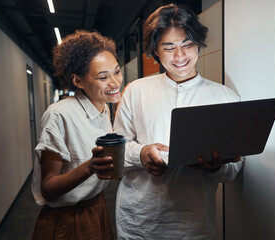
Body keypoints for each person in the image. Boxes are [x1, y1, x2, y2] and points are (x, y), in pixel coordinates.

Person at [113, 4, 244, 240]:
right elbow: (118, 149)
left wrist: (215, 167)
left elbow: (234, 168)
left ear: (198, 44)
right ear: (155, 51)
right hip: (139, 222)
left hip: (194, 225)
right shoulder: (135, 91)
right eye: (169, 47)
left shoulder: (225, 97)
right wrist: (141, 154)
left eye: (187, 44)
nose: (180, 56)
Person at [31, 30, 123, 240]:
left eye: (116, 72)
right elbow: (48, 188)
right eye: (103, 77)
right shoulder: (60, 114)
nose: (115, 82)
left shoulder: (103, 107)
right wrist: (90, 167)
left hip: (97, 205)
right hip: (67, 217)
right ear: (78, 81)